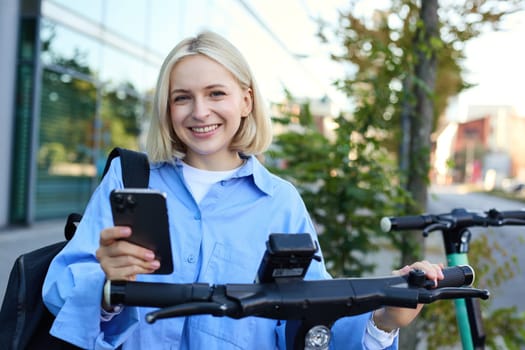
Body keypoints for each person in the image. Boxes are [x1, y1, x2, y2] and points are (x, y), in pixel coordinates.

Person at [43, 31, 444, 350]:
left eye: (216, 93)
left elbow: (313, 315)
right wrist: (105, 284)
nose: (200, 112)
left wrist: (384, 316)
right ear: (167, 109)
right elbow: (58, 292)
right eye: (182, 98)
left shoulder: (280, 202)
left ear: (246, 101)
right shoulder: (128, 179)